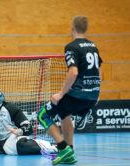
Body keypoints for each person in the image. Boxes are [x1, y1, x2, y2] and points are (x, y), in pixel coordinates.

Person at [37, 15, 102, 165]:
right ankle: (70, 152)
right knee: (64, 115)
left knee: (42, 115)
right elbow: (98, 70)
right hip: (92, 96)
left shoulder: (71, 47)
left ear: (72, 27)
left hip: (77, 94)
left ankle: (63, 147)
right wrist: (97, 92)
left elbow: (73, 72)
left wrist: (60, 94)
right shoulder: (93, 46)